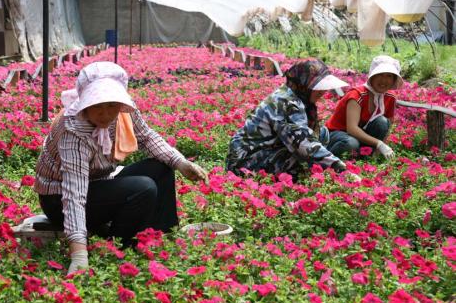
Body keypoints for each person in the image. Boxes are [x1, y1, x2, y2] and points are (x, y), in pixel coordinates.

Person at [34, 61, 208, 274]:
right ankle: (116, 247)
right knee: (143, 188)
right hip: (58, 200)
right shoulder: (74, 130)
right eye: (97, 106)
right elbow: (74, 193)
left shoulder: (121, 107)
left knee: (161, 168)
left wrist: (181, 163)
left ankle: (161, 238)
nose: (105, 113)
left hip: (98, 184)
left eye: (111, 106)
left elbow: (146, 136)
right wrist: (79, 255)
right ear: (85, 102)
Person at [226, 58, 351, 179]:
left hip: (253, 153)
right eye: (317, 86)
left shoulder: (292, 94)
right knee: (307, 154)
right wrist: (341, 168)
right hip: (246, 163)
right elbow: (304, 144)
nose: (323, 91)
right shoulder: (287, 103)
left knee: (321, 133)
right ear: (303, 84)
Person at [325, 55, 403, 159]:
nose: (384, 80)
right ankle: (330, 161)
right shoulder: (357, 95)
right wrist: (379, 144)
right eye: (380, 75)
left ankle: (365, 158)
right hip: (338, 134)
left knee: (382, 122)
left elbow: (387, 126)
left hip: (360, 136)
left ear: (394, 80)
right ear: (372, 76)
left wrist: (381, 149)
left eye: (389, 76)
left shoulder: (390, 98)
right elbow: (352, 129)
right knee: (351, 143)